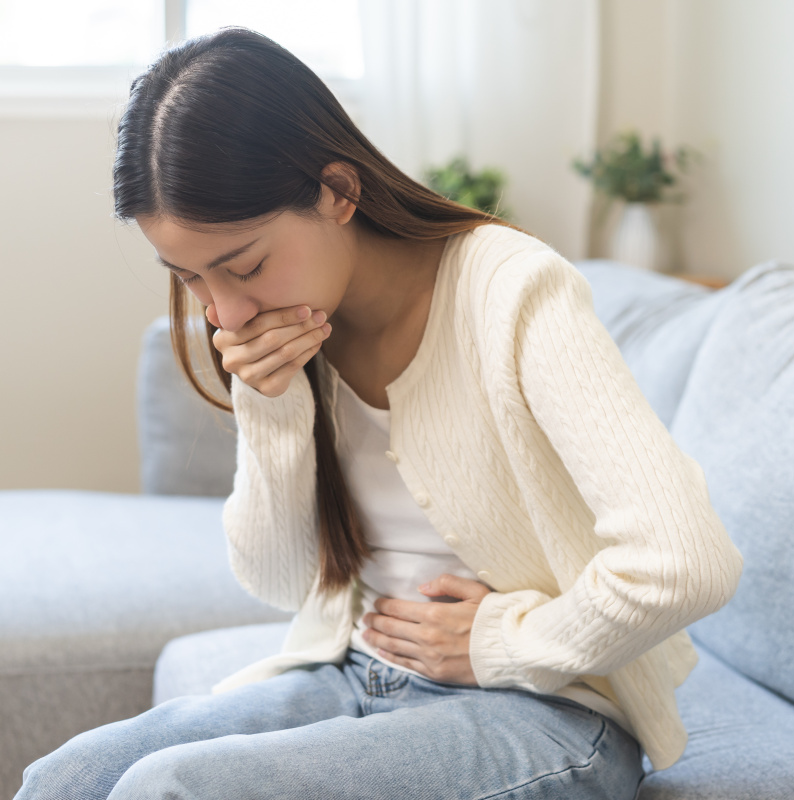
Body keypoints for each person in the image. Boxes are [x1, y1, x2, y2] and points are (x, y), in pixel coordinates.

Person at [16, 26, 743, 800]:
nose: (226, 312)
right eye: (190, 278)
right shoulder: (293, 338)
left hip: (548, 709)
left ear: (337, 190)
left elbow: (691, 560)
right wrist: (273, 409)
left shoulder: (512, 290)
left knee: (173, 789)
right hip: (361, 672)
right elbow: (278, 580)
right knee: (67, 778)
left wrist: (507, 641)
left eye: (246, 265)